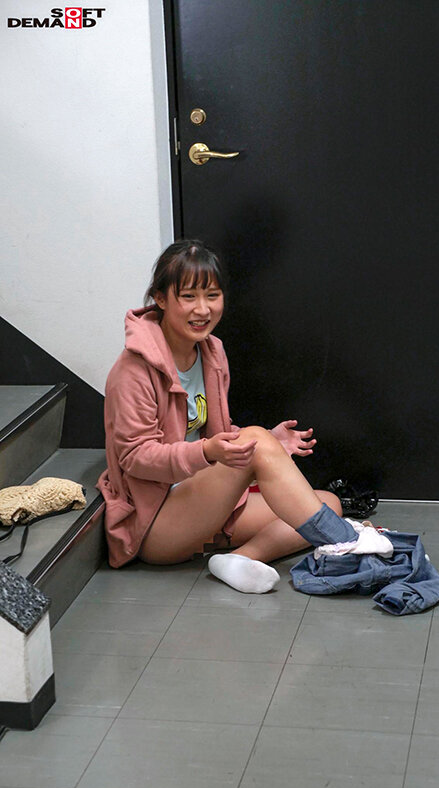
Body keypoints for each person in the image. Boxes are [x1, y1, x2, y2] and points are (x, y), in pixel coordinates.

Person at [97, 240, 360, 593]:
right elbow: (135, 457)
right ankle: (349, 546)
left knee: (328, 503)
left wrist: (270, 443)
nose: (202, 309)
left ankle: (239, 560)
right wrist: (210, 452)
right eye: (188, 296)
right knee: (268, 454)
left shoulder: (212, 352)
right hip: (155, 523)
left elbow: (213, 434)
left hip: (208, 502)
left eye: (212, 295)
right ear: (160, 299)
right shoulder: (133, 370)